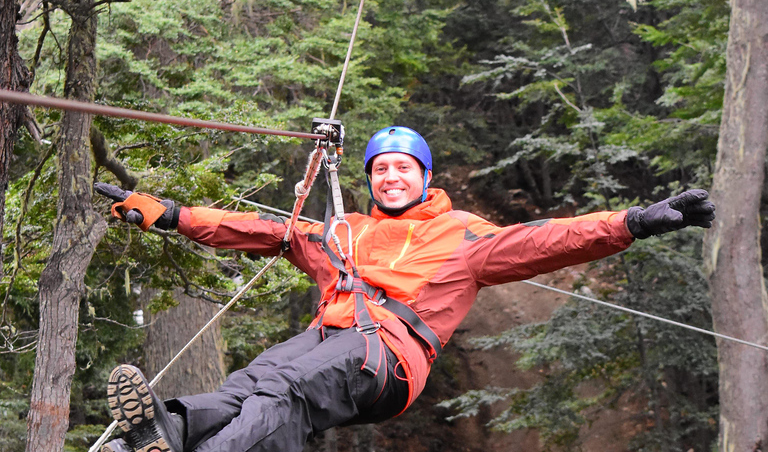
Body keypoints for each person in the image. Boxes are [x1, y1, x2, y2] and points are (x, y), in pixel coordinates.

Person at [95, 126, 715, 452]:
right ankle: (159, 437)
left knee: (286, 391)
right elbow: (263, 230)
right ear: (370, 180)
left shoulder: (463, 234)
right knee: (249, 385)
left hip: (387, 355)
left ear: (423, 176)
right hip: (327, 339)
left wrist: (634, 221)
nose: (390, 177)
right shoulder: (344, 231)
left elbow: (544, 240)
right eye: (380, 169)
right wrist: (171, 215)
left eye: (403, 168)